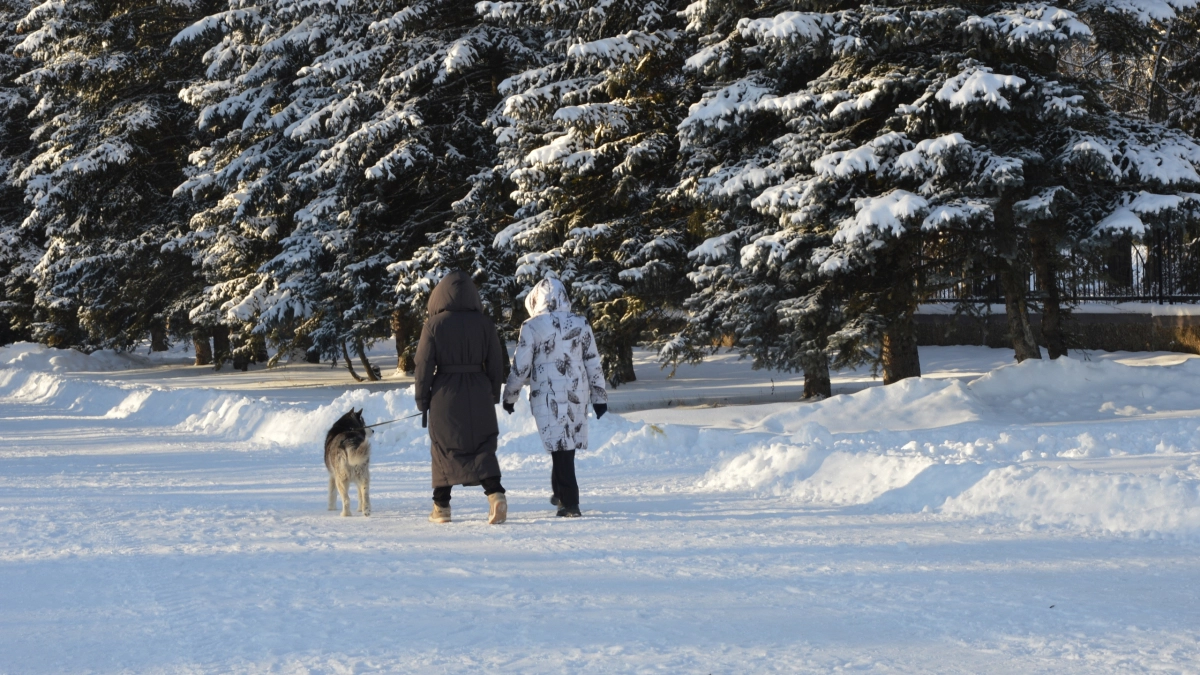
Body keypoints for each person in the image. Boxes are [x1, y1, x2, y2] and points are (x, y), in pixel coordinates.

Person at [502, 277, 608, 517]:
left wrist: (510, 396)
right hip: (576, 392)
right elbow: (593, 362)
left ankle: (570, 502)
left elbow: (521, 367)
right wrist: (599, 396)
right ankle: (560, 493)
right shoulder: (581, 323)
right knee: (563, 444)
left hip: (547, 393)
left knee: (560, 444)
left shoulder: (532, 326)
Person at [414, 270, 507, 525]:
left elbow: (423, 364)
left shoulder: (434, 325)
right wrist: (492, 393)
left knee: (444, 448)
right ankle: (496, 494)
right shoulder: (485, 323)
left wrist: (422, 399)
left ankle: (441, 507)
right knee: (483, 447)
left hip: (445, 393)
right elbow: (497, 361)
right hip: (478, 390)